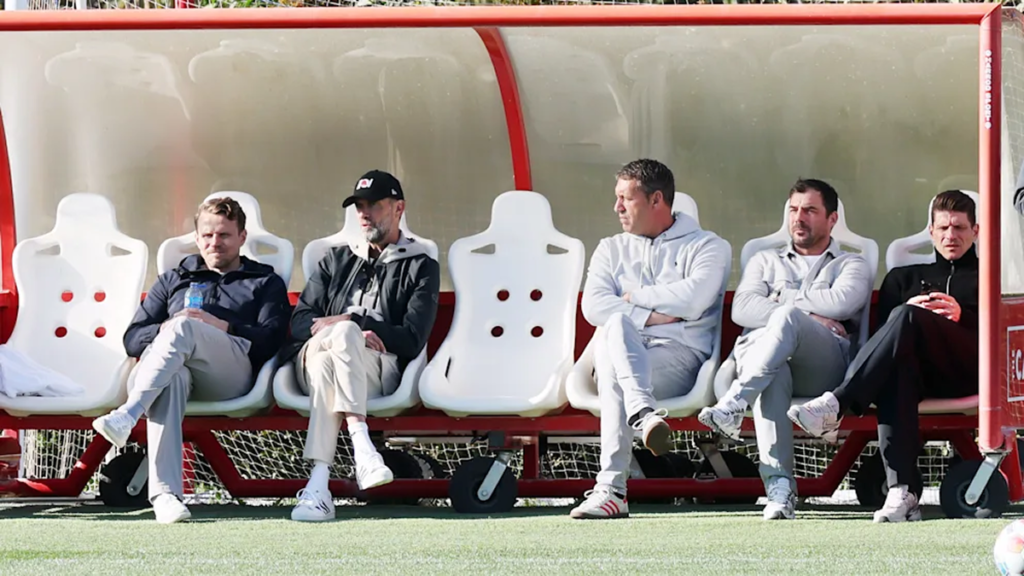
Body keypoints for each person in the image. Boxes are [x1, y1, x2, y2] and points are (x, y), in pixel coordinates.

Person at [92, 197, 291, 524]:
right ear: (197, 238)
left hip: (231, 375)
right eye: (208, 235)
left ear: (242, 237)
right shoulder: (173, 278)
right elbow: (133, 338)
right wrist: (167, 330)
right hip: (170, 375)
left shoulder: (264, 281)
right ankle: (165, 495)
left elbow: (271, 339)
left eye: (225, 235)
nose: (215, 243)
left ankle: (129, 413)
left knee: (186, 325)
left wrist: (223, 327)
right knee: (174, 373)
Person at [789, 189, 979, 523]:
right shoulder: (902, 278)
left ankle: (837, 403)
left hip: (970, 366)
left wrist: (964, 314)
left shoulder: (989, 278)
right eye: (944, 228)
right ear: (931, 231)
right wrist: (913, 315)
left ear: (975, 232)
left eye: (960, 228)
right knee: (895, 370)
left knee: (907, 316)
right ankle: (901, 492)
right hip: (921, 375)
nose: (951, 236)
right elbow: (883, 342)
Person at [698, 179, 871, 521]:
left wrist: (785, 307)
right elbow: (741, 309)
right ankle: (780, 488)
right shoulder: (764, 261)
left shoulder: (851, 264)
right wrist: (815, 316)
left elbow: (844, 302)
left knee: (786, 319)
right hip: (763, 362)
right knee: (774, 372)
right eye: (793, 210)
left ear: (832, 219)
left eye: (810, 210)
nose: (798, 218)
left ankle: (734, 403)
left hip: (822, 368)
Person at [569, 159, 731, 520]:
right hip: (626, 358)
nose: (617, 207)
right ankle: (643, 413)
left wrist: (631, 298)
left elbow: (694, 299)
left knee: (615, 355)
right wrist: (653, 314)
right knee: (614, 331)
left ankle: (611, 490)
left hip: (678, 359)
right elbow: (594, 306)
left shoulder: (710, 246)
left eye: (626, 198)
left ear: (656, 199)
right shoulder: (610, 247)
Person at [287, 170, 440, 522]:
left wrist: (355, 324)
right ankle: (362, 445)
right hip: (312, 360)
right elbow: (298, 325)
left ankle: (318, 485)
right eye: (359, 206)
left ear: (398, 207)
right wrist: (347, 329)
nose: (364, 213)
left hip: (376, 368)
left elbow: (413, 339)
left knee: (340, 344)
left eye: (374, 204)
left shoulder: (420, 265)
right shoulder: (334, 260)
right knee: (340, 339)